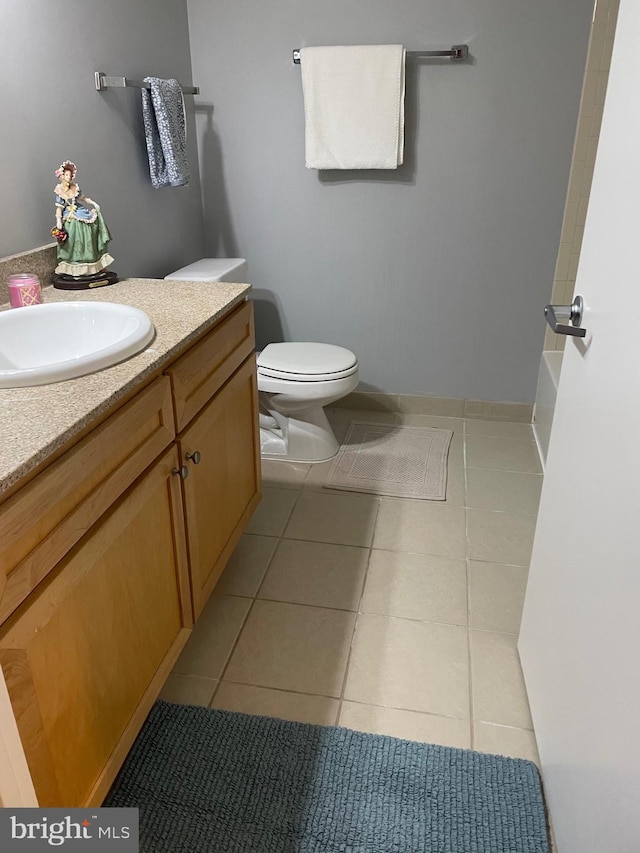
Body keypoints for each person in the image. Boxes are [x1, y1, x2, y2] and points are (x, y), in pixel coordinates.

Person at [52, 161, 114, 278]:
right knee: (74, 240)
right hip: (70, 216)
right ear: (61, 176)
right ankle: (75, 266)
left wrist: (92, 203)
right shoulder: (59, 190)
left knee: (89, 233)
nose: (69, 177)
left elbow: (83, 198)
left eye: (70, 175)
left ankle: (93, 264)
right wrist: (59, 221)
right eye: (66, 175)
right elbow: (59, 208)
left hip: (80, 212)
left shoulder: (75, 187)